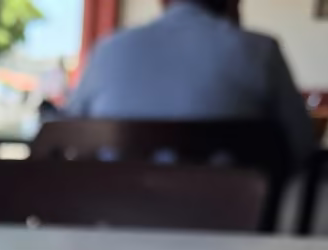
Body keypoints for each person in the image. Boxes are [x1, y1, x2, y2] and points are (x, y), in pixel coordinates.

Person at [67, 0, 315, 170]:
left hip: (107, 220)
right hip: (232, 224)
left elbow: (68, 137)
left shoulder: (108, 49)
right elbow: (301, 145)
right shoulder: (259, 50)